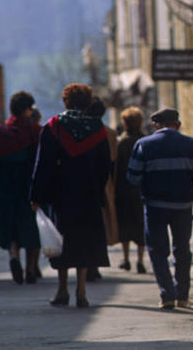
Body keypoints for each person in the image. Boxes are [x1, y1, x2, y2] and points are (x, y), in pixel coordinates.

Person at [30, 83, 111, 308]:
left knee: (61, 240)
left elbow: (43, 165)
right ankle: (81, 291)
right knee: (84, 240)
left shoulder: (54, 126)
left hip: (61, 194)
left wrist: (37, 195)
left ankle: (62, 289)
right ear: (88, 102)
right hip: (88, 193)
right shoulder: (97, 128)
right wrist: (98, 190)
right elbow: (105, 165)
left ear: (65, 101)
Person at [128, 108, 193, 309]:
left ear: (155, 125)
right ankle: (183, 296)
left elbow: (133, 177)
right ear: (178, 125)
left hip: (154, 206)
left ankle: (167, 295)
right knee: (182, 249)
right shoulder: (192, 145)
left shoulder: (143, 145)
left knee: (157, 250)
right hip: (183, 206)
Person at [0, 91, 42, 284]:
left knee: (11, 227)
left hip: (5, 188)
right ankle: (30, 269)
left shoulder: (0, 132)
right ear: (27, 109)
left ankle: (14, 256)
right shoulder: (34, 130)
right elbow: (41, 160)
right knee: (31, 229)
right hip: (28, 187)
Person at [83, 96, 118, 283]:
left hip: (84, 181)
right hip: (105, 183)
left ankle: (88, 264)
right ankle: (95, 264)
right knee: (102, 224)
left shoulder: (80, 131)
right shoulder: (109, 133)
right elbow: (113, 161)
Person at [114, 107, 146, 273]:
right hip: (141, 189)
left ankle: (126, 259)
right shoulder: (145, 142)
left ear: (125, 123)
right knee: (141, 225)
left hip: (123, 189)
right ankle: (140, 260)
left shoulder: (121, 143)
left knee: (125, 225)